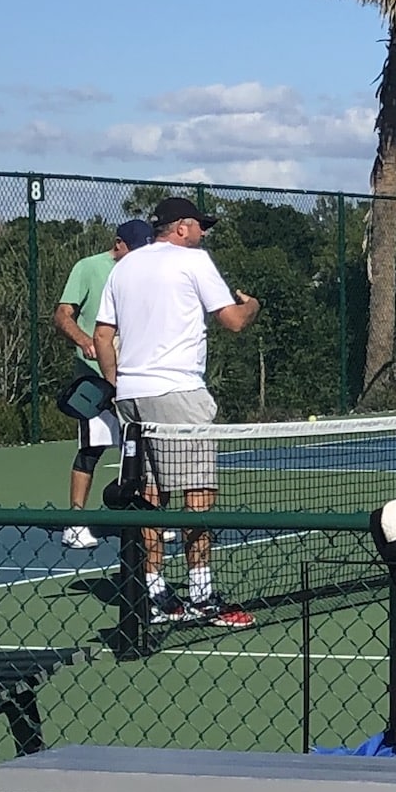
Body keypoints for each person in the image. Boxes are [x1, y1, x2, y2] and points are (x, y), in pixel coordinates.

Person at [94, 196, 261, 620]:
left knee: (149, 495)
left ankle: (154, 593)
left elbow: (101, 337)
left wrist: (117, 385)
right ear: (182, 227)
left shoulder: (123, 267)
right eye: (200, 225)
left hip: (132, 396)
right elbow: (233, 321)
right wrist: (252, 305)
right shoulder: (194, 260)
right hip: (178, 393)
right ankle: (201, 595)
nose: (204, 232)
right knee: (198, 494)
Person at [51, 219, 151, 548]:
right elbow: (62, 314)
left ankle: (146, 518)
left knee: (142, 451)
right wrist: (84, 340)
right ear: (118, 244)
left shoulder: (147, 271)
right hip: (94, 379)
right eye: (134, 250)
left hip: (136, 378)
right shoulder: (88, 267)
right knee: (91, 449)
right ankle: (75, 523)